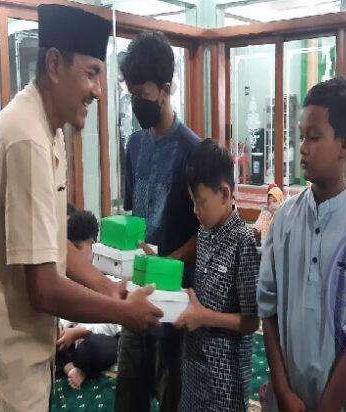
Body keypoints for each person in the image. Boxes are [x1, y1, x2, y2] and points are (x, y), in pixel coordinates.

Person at [0, 6, 162, 411]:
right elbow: (43, 288)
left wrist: (106, 287)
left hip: (22, 355)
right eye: (91, 73)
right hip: (4, 367)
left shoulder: (48, 129)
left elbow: (51, 242)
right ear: (55, 65)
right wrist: (121, 312)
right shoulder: (26, 139)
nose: (99, 91)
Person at [257, 77, 346, 411]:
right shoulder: (284, 220)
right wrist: (283, 390)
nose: (303, 147)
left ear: (344, 144)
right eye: (301, 136)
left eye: (314, 137)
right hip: (287, 400)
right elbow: (268, 310)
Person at [116, 30, 201, 412]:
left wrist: (169, 260)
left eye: (143, 94)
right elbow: (134, 213)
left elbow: (207, 231)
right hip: (136, 290)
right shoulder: (134, 146)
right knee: (129, 391)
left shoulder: (193, 151)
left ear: (165, 89)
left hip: (173, 294)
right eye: (131, 95)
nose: (137, 103)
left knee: (171, 395)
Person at [174, 139, 260, 410]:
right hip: (194, 360)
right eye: (193, 202)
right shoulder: (204, 233)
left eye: (201, 202)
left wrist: (204, 317)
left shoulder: (244, 241)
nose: (195, 211)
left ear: (224, 194)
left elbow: (251, 321)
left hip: (225, 373)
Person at [57, 210, 120, 390]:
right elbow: (62, 311)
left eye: (77, 249)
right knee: (46, 337)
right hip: (69, 343)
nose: (72, 257)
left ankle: (74, 367)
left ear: (93, 244)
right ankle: (71, 369)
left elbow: (113, 324)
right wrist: (63, 329)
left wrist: (81, 332)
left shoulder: (108, 278)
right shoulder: (65, 277)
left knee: (99, 347)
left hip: (91, 341)